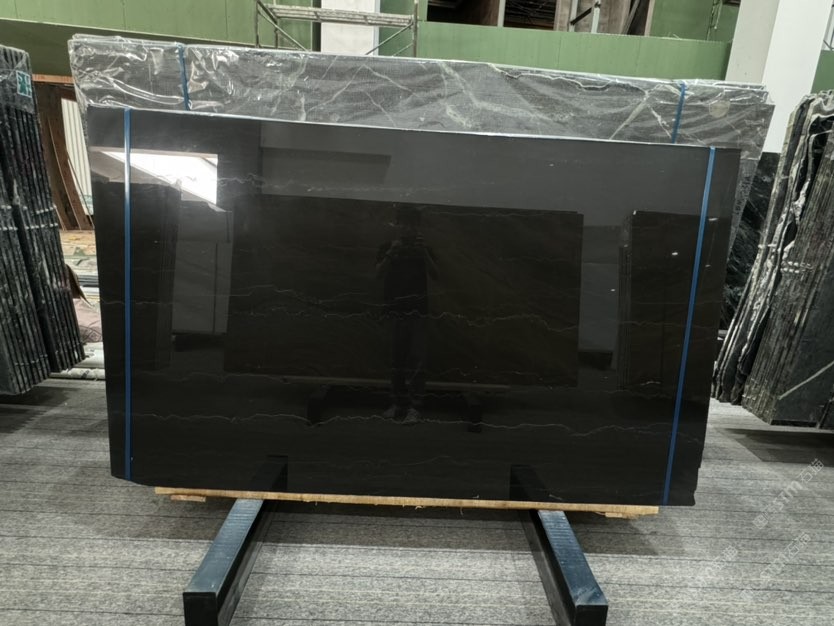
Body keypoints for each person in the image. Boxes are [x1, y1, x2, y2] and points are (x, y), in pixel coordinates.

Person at [376, 206, 438, 422]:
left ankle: (415, 407)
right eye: (403, 223)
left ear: (417, 226)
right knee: (396, 361)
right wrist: (391, 253)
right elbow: (377, 274)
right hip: (394, 311)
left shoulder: (424, 248)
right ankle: (397, 404)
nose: (407, 228)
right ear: (397, 225)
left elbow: (436, 275)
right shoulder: (387, 247)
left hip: (418, 311)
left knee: (418, 361)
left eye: (412, 224)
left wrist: (424, 254)